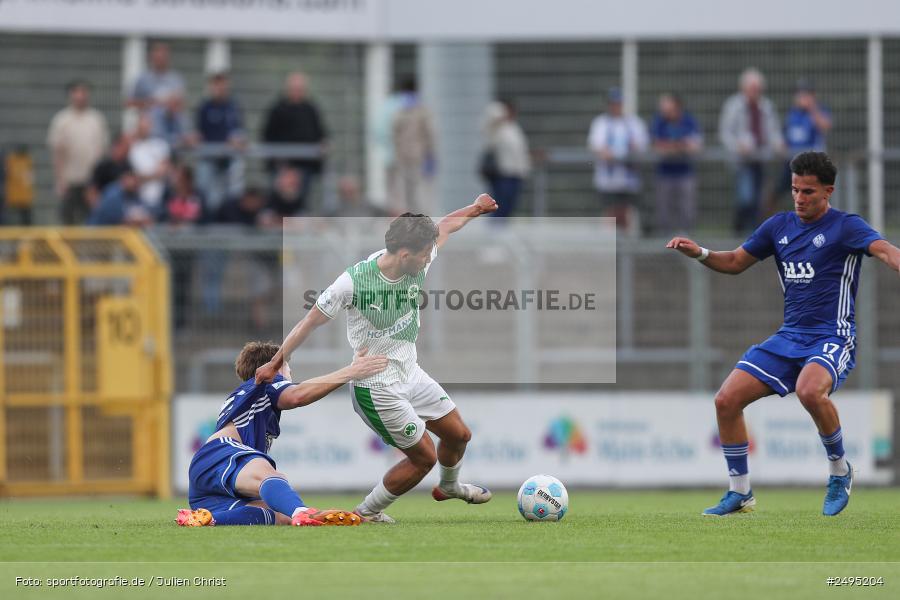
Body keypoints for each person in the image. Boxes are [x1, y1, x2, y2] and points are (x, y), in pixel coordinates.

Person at [666, 152, 900, 517]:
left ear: (828, 191)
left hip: (832, 337)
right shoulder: (778, 227)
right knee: (726, 400)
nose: (799, 198)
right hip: (789, 337)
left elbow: (884, 249)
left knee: (810, 390)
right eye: (794, 190)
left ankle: (840, 471)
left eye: (808, 191)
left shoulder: (846, 227)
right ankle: (740, 492)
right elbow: (734, 262)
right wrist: (701, 252)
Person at [255, 195, 500, 523]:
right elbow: (309, 321)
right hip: (376, 385)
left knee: (460, 435)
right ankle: (367, 513)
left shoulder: (418, 257)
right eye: (425, 253)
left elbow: (444, 227)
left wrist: (474, 209)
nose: (430, 257)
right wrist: (276, 361)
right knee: (423, 458)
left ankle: (450, 487)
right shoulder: (353, 283)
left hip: (409, 371)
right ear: (404, 255)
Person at [177, 341, 388, 526]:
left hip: (207, 478)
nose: (290, 373)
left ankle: (208, 519)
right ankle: (304, 513)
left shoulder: (249, 393)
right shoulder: (267, 382)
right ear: (274, 368)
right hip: (221, 453)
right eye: (287, 367)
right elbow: (297, 396)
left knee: (279, 516)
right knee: (272, 477)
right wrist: (352, 371)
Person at [719, 68, 784, 234]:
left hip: (761, 160)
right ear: (744, 88)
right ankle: (739, 231)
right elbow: (725, 133)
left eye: (757, 88)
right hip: (742, 161)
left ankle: (750, 236)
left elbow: (773, 131)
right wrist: (738, 146)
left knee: (758, 201)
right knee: (745, 198)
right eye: (752, 88)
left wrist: (777, 144)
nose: (755, 92)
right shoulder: (733, 106)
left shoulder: (766, 107)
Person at [47, 79, 110, 224]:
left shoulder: (96, 119)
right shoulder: (62, 120)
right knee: (68, 220)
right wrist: (60, 180)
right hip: (70, 181)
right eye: (77, 92)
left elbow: (103, 152)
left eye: (84, 92)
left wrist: (99, 182)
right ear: (71, 95)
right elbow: (57, 152)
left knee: (91, 220)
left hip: (91, 182)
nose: (81, 96)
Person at [587, 87, 649, 234]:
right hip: (608, 181)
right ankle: (611, 248)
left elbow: (642, 145)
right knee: (610, 214)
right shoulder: (600, 123)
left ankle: (626, 251)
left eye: (618, 103)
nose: (616, 107)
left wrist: (631, 150)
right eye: (613, 103)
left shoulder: (634, 123)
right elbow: (596, 145)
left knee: (626, 214)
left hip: (629, 181)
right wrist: (606, 152)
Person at [261, 72, 328, 209]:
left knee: (302, 204)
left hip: (306, 167)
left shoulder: (310, 109)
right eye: (295, 88)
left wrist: (323, 144)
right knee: (279, 203)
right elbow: (268, 136)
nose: (298, 92)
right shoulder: (277, 109)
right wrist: (283, 167)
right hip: (282, 167)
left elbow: (321, 133)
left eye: (301, 89)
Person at [769, 79, 832, 216]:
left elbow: (825, 126)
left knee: (813, 196)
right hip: (791, 163)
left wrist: (812, 108)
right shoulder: (792, 114)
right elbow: (785, 136)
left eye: (806, 94)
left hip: (812, 165)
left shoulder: (818, 111)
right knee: (776, 193)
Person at [650, 93, 702, 234]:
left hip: (685, 174)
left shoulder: (689, 121)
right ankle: (665, 246)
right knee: (664, 213)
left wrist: (672, 146)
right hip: (664, 175)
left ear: (677, 107)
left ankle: (687, 244)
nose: (665, 113)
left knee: (687, 211)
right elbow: (657, 147)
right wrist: (680, 146)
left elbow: (695, 146)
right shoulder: (659, 122)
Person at [194, 72, 246, 214]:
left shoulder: (233, 108)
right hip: (209, 160)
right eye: (216, 85)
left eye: (223, 85)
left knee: (232, 195)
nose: (220, 88)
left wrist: (237, 141)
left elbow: (239, 133)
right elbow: (199, 133)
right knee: (207, 197)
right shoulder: (204, 108)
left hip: (229, 161)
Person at [389, 77, 436, 215]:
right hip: (407, 156)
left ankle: (422, 217)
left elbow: (430, 134)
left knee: (419, 190)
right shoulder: (401, 110)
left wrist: (430, 155)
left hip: (418, 156)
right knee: (408, 191)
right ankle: (413, 218)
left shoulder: (420, 111)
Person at [481, 100, 531, 221]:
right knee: (499, 205)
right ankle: (495, 231)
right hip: (502, 173)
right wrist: (501, 113)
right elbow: (490, 115)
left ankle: (501, 231)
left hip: (516, 173)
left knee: (509, 205)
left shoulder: (514, 128)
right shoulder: (497, 128)